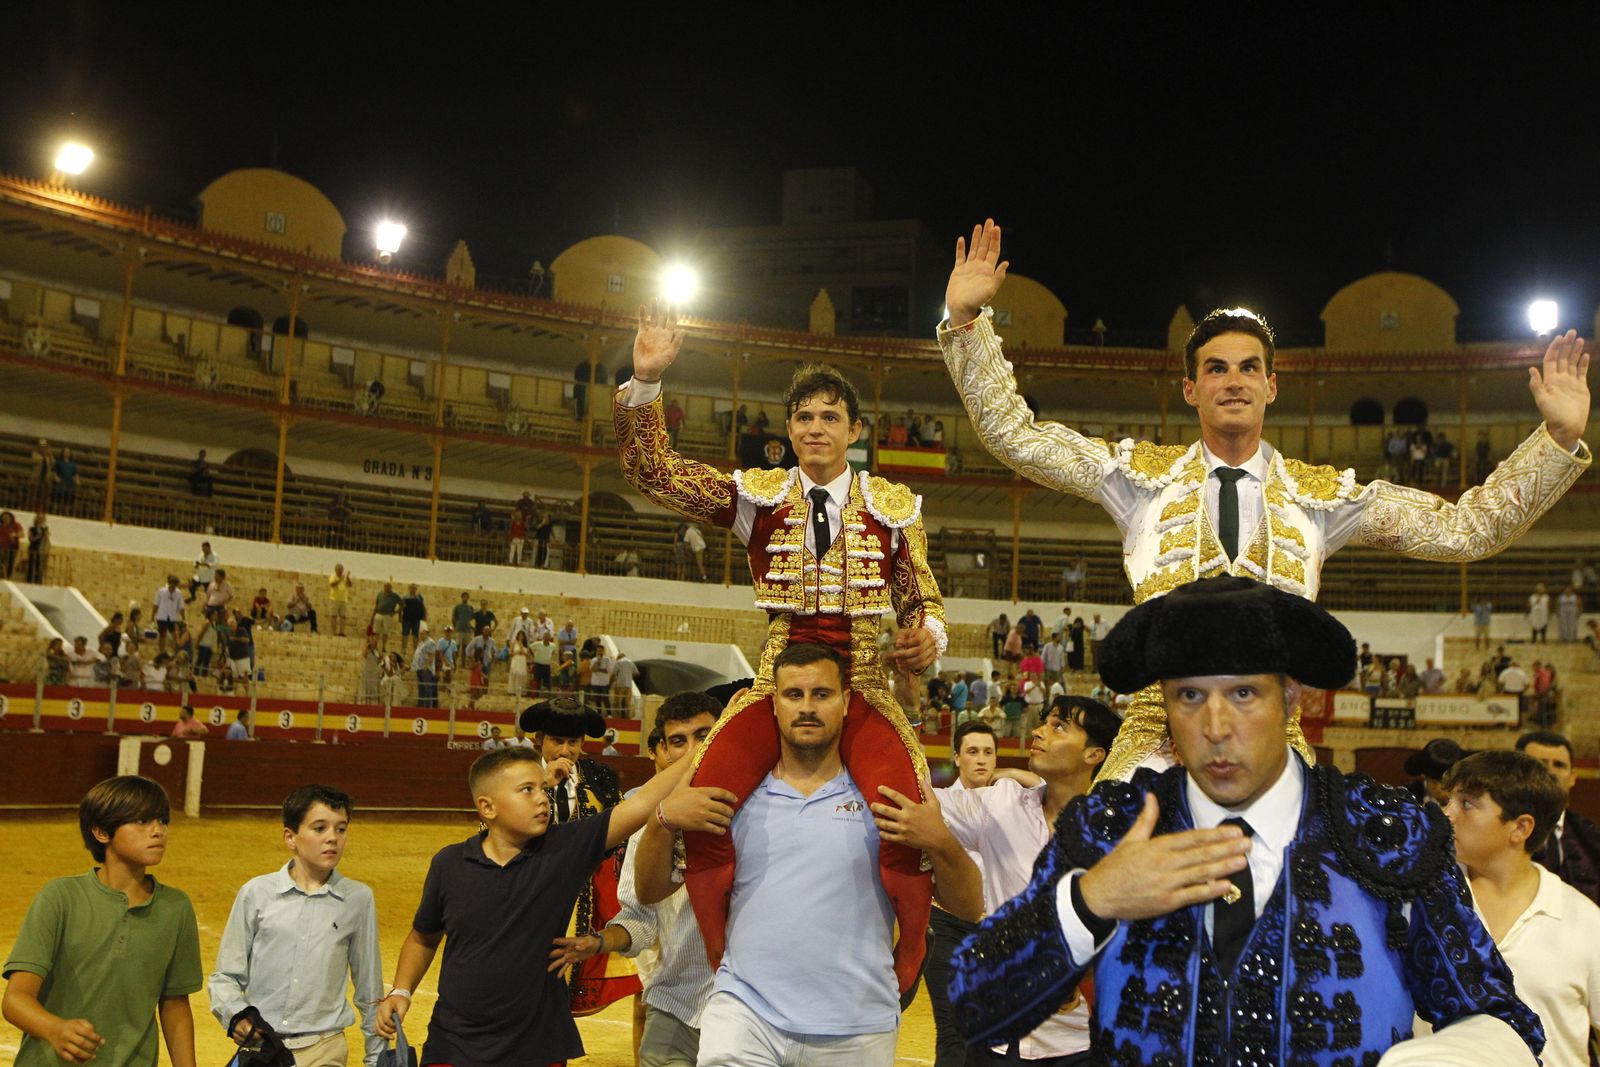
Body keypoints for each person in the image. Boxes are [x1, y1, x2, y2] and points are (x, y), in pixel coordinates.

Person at [939, 219, 1592, 780]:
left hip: (1277, 741)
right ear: (1191, 390)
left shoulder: (1321, 496)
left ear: (1272, 386)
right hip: (1154, 737)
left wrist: (1557, 440)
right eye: (1215, 368)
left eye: (1249, 367)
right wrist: (967, 323)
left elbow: (1465, 531)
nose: (1233, 380)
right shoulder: (1136, 474)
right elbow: (1016, 437)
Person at [949, 577, 1543, 1066]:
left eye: (1242, 694)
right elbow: (977, 1003)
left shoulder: (1388, 831)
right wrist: (1091, 899)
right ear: (1164, 708)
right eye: (1189, 697)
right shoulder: (1111, 825)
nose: (1215, 727)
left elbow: (1500, 1017)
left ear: (1290, 700)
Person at [616, 303, 947, 993]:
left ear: (854, 431)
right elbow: (656, 474)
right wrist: (646, 382)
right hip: (776, 683)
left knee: (911, 814)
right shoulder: (755, 498)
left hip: (860, 683)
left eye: (830, 416)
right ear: (789, 429)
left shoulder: (893, 504)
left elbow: (922, 598)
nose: (815, 427)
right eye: (803, 417)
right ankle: (721, 955)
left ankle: (908, 954)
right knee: (704, 802)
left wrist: (927, 638)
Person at [629, 643, 980, 1067]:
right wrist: (661, 819)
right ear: (773, 703)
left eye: (822, 694)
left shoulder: (891, 799)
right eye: (794, 695)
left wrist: (940, 840)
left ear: (846, 701)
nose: (807, 707)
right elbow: (650, 891)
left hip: (858, 1027)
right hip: (744, 1015)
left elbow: (969, 906)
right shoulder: (729, 796)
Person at [372, 736, 727, 1066]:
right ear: (487, 807)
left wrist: (718, 734)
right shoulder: (449, 864)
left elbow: (645, 801)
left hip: (537, 1048)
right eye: (526, 790)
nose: (542, 799)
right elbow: (423, 937)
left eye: (543, 788)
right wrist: (401, 990)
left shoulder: (564, 849)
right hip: (453, 1045)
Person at [878, 697, 1122, 1065]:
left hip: (1082, 1043)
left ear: (1094, 755)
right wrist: (909, 706)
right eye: (1044, 722)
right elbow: (915, 795)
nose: (1038, 731)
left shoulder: (1124, 832)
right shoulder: (1002, 803)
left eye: (1059, 726)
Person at [2, 776, 202, 1067]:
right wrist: (54, 1029)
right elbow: (16, 999)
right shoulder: (60, 897)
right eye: (142, 821)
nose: (158, 831)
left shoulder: (176, 908)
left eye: (163, 820)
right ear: (101, 831)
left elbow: (174, 1004)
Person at [1442, 751, 1600, 1067]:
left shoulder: (1585, 922)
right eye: (1447, 801)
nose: (1447, 814)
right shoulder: (1420, 903)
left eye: (1467, 804)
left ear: (1520, 827)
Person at [208, 785, 383, 1067]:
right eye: (319, 828)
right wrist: (236, 1015)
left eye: (341, 829)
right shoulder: (256, 893)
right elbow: (225, 976)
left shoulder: (358, 899)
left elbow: (369, 990)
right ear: (290, 837)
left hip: (325, 1048)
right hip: (262, 1047)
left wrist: (376, 1058)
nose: (332, 839)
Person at [1517, 730, 1600, 906]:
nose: (1550, 772)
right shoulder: (1495, 830)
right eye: (1540, 763)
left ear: (1572, 777)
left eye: (1559, 765)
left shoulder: (1592, 836)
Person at [370, 581, 401, 652]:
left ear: (391, 588)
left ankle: (384, 647)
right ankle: (375, 646)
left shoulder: (394, 595)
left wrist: (395, 612)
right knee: (376, 632)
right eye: (385, 587)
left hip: (387, 615)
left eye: (388, 587)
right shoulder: (380, 594)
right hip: (379, 614)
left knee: (385, 632)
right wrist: (373, 616)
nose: (386, 588)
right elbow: (376, 605)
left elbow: (402, 605)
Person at [399, 583, 427, 654]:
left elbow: (423, 607)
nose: (413, 589)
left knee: (415, 635)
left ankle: (415, 651)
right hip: (406, 619)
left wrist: (424, 616)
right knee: (405, 634)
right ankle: (403, 649)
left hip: (416, 620)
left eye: (415, 588)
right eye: (412, 588)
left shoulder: (420, 597)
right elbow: (401, 607)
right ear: (409, 588)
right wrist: (400, 616)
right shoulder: (405, 597)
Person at [326, 563, 352, 637]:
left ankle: (342, 631)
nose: (340, 571)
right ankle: (334, 632)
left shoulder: (345, 578)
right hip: (334, 599)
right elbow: (332, 584)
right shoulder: (333, 577)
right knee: (333, 616)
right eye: (338, 570)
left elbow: (350, 585)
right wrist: (340, 579)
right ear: (336, 570)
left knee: (343, 616)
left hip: (343, 599)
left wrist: (348, 577)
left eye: (341, 570)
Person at [24, 513, 48, 584]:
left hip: (40, 550)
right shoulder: (32, 528)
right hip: (33, 548)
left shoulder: (44, 529)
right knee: (31, 564)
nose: (40, 520)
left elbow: (46, 540)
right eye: (39, 518)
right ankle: (29, 580)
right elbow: (30, 538)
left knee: (39, 566)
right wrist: (38, 536)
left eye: (42, 519)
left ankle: (38, 581)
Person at [0, 511, 22, 580]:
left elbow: (21, 534)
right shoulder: (1, 525)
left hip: (11, 548)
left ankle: (7, 577)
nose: (6, 519)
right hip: (1, 547)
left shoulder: (16, 525)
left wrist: (15, 534)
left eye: (7, 517)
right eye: (4, 517)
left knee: (9, 563)